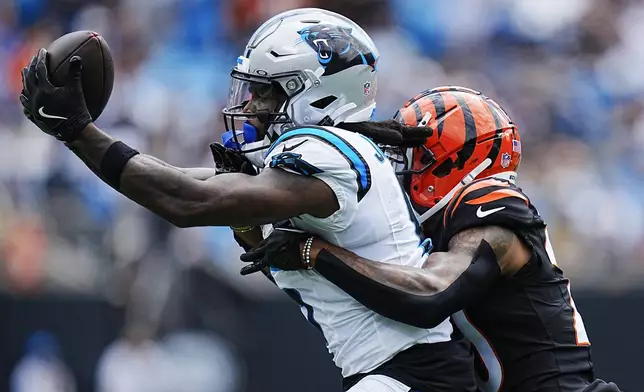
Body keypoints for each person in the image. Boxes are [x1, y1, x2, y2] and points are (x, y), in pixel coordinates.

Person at [19, 9, 477, 392]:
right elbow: (178, 182)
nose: (253, 104)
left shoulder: (329, 154)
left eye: (268, 90)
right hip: (404, 372)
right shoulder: (330, 157)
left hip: (415, 374)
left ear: (317, 93)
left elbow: (185, 199)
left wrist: (77, 131)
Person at [239, 86, 623, 392]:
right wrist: (249, 222)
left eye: (412, 155)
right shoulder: (440, 226)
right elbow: (334, 279)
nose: (398, 168)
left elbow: (428, 295)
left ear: (452, 159)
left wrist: (314, 250)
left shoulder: (492, 216)